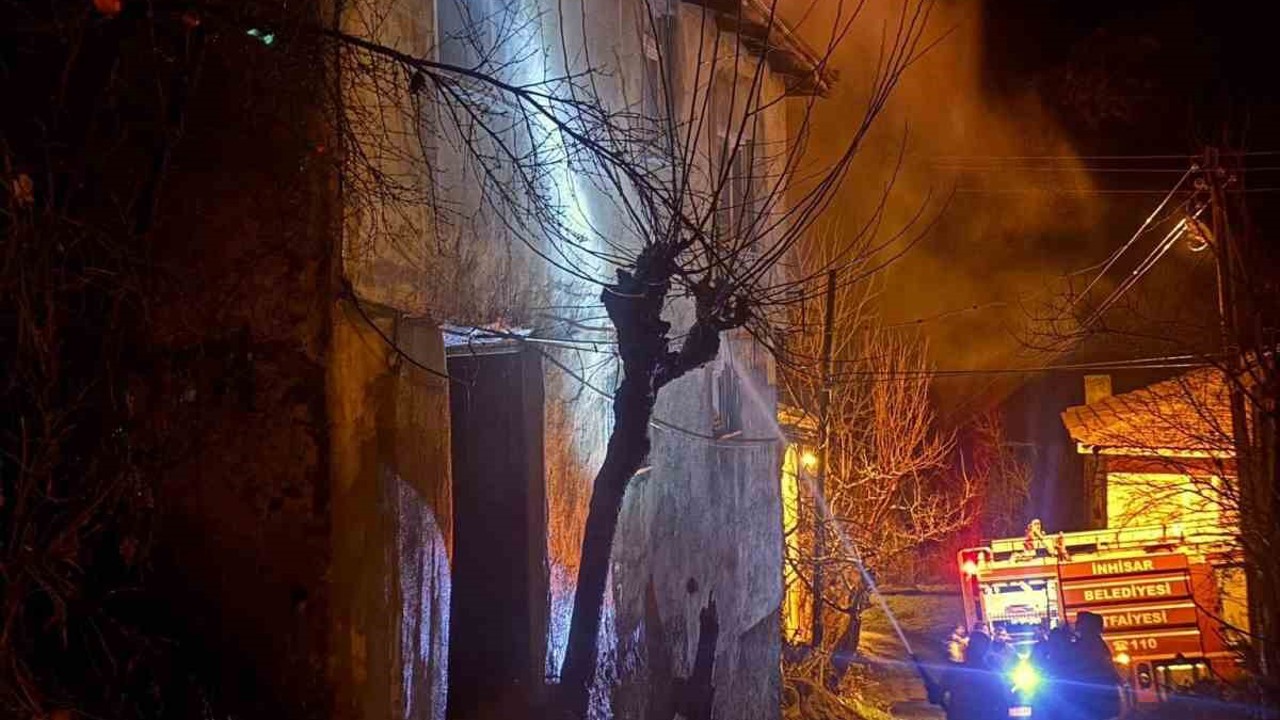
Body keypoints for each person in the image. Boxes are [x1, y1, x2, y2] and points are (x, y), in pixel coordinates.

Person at [936, 631, 1011, 720]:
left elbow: (936, 696)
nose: (966, 647)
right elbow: (1003, 705)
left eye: (969, 644)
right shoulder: (993, 675)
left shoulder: (954, 672)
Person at [1068, 612, 1122, 720]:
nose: (1076, 624)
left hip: (1093, 696)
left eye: (1079, 622)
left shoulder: (1088, 643)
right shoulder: (1096, 642)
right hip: (1098, 696)